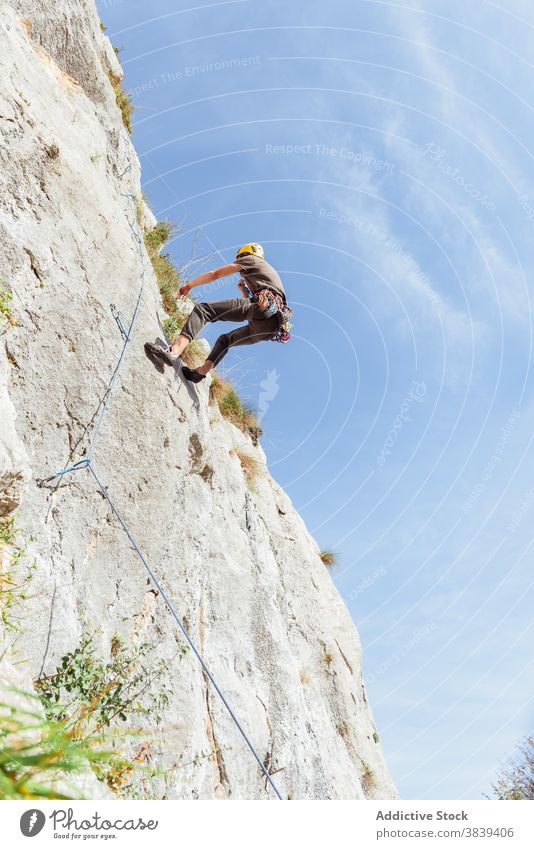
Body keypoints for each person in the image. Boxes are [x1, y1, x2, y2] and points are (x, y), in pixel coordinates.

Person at [145, 243, 289, 382]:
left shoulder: (251, 259)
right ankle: (199, 374)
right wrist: (244, 291)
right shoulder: (267, 272)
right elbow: (254, 311)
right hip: (271, 327)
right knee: (225, 341)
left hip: (261, 307)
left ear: (244, 255)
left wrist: (189, 285)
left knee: (203, 310)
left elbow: (215, 274)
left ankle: (174, 351)